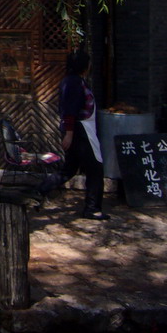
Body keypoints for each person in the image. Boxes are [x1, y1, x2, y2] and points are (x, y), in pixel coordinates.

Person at [39, 49, 108, 220]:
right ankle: (92, 208)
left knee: (69, 169)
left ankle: (37, 191)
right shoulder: (73, 83)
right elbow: (69, 110)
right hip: (80, 131)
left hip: (81, 130)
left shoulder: (76, 81)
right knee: (95, 169)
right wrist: (69, 134)